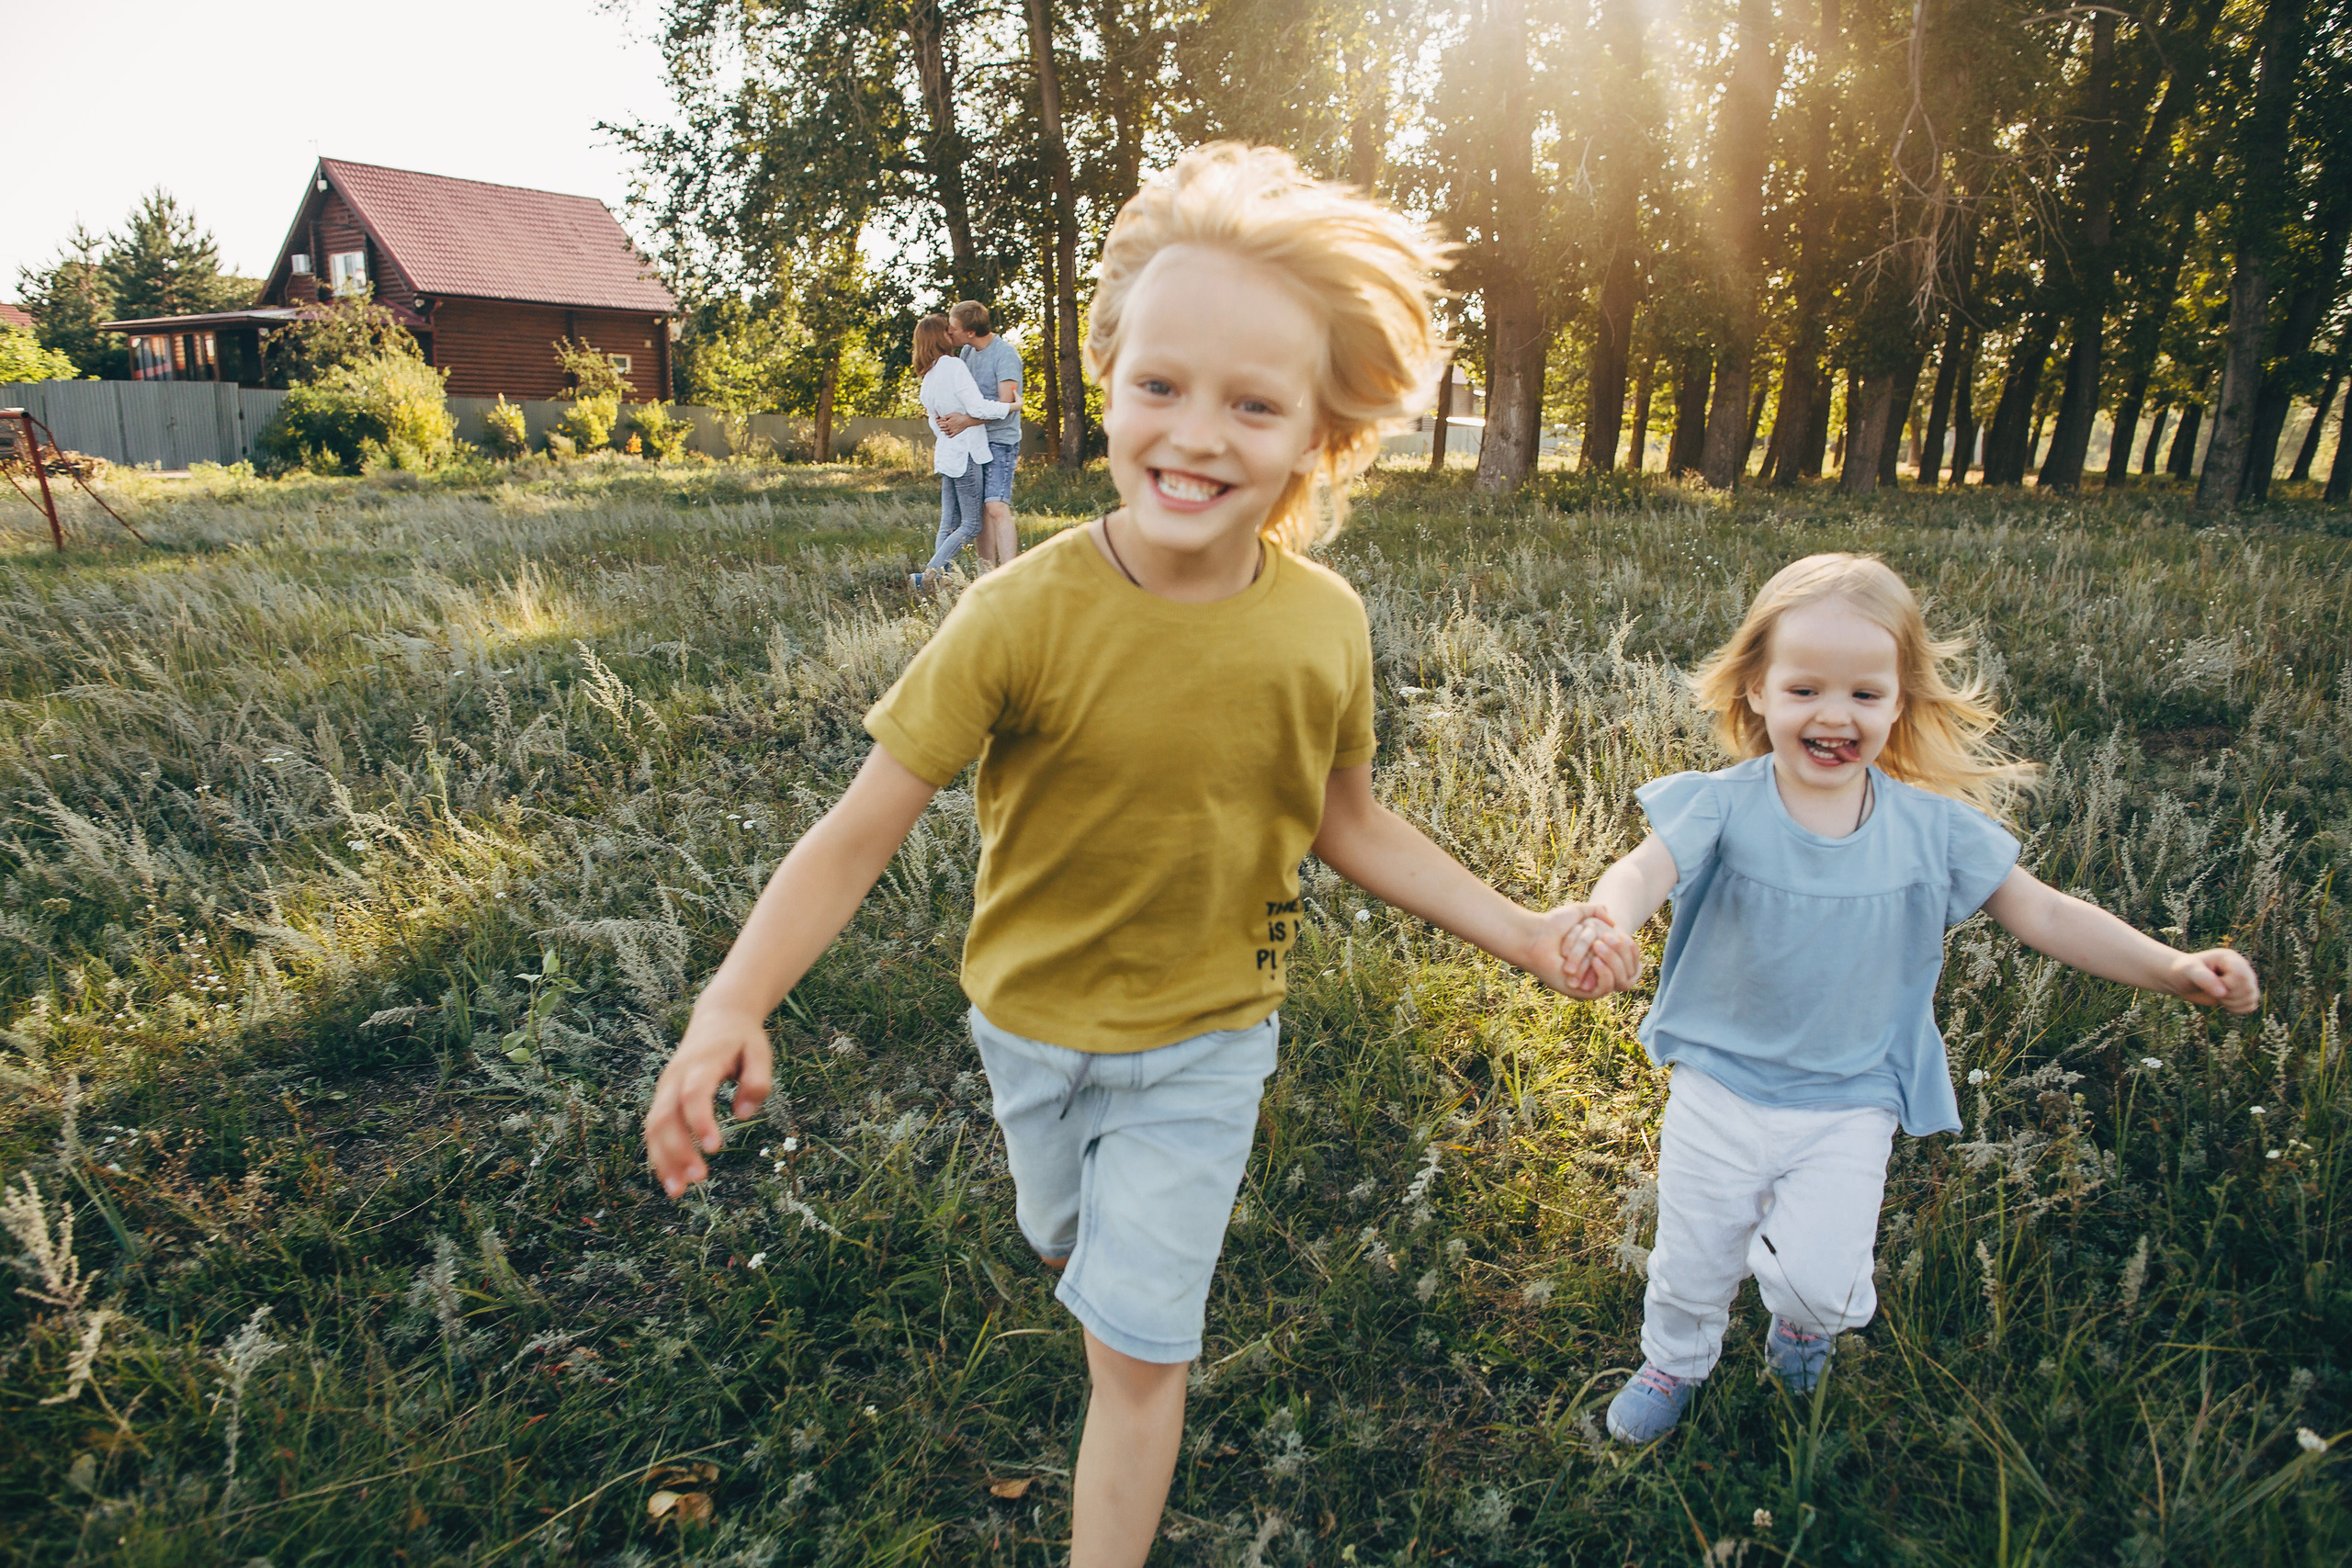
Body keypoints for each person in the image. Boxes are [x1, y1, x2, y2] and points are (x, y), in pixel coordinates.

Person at [641, 143, 1606, 1567]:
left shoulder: (1323, 624)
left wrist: (1522, 926)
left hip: (1211, 1037)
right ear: (1105, 382)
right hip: (1028, 1022)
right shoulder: (1019, 614)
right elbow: (857, 831)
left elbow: (1348, 820)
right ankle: (1088, 1258)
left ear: (1318, 432)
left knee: (1136, 1354)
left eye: (1252, 403)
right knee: (1065, 1241)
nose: (1197, 433)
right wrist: (733, 997)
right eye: (1161, 385)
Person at [1556, 553, 2262, 1444]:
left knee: (1823, 1274)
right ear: (1757, 693)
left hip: (1851, 1097)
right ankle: (1674, 1359)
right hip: (1719, 1085)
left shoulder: (1930, 831)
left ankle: (1802, 1324)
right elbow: (1640, 870)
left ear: (1898, 703)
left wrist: (2169, 967)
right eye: (1804, 688)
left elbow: (2041, 910)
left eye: (1863, 694)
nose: (1833, 716)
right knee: (1693, 1256)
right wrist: (1608, 921)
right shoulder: (1722, 807)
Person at [911, 311, 1013, 589]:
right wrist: (1012, 406)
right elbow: (978, 407)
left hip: (947, 454)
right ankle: (929, 576)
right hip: (967, 453)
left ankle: (936, 580)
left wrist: (949, 431)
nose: (952, 332)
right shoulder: (953, 366)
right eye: (947, 330)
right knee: (971, 524)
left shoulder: (929, 375)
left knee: (948, 523)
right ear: (940, 337)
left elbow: (936, 423)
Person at [937, 300, 1023, 568]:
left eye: (953, 328)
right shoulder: (966, 353)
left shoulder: (1005, 355)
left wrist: (965, 421)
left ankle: (1009, 575)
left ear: (970, 332)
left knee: (996, 507)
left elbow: (1006, 407)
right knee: (979, 512)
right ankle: (986, 574)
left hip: (1000, 440)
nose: (948, 332)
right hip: (975, 441)